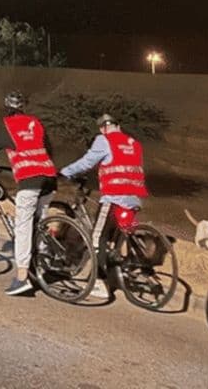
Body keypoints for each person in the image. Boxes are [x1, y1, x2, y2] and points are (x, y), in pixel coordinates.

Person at [0, 91, 57, 296]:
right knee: (39, 221)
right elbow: (48, 149)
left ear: (7, 107)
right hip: (49, 177)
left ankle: (22, 278)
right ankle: (42, 265)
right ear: (23, 107)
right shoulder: (35, 122)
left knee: (23, 226)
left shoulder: (7, 125)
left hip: (30, 179)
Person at [60, 113, 148, 299]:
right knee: (115, 240)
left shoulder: (104, 140)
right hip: (134, 199)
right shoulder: (134, 143)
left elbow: (87, 162)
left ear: (103, 128)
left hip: (114, 198)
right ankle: (118, 273)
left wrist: (65, 172)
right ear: (118, 125)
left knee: (97, 238)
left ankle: (99, 282)